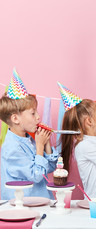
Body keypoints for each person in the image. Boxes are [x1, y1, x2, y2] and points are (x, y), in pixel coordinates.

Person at [0, 69, 58, 200]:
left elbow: (49, 168)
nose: (38, 117)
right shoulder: (11, 148)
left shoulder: (28, 139)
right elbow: (37, 175)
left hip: (41, 202)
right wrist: (39, 145)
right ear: (15, 119)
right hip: (22, 207)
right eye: (33, 113)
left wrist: (46, 143)